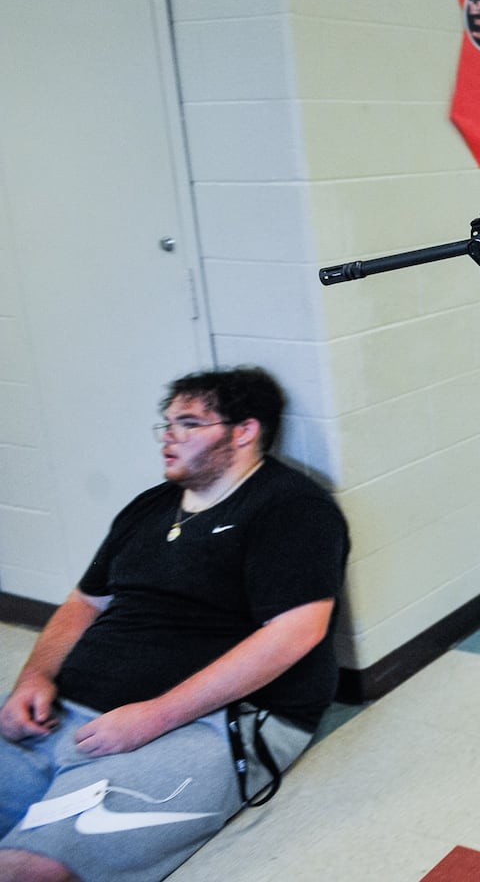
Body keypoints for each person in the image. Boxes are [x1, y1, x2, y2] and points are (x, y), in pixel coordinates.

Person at [0, 366, 350, 882]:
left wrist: (155, 717)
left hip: (211, 724)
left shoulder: (291, 508)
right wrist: (34, 678)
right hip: (72, 708)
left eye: (188, 424)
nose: (169, 438)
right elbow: (84, 603)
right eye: (166, 425)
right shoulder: (149, 507)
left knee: (31, 870)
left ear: (245, 431)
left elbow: (295, 632)